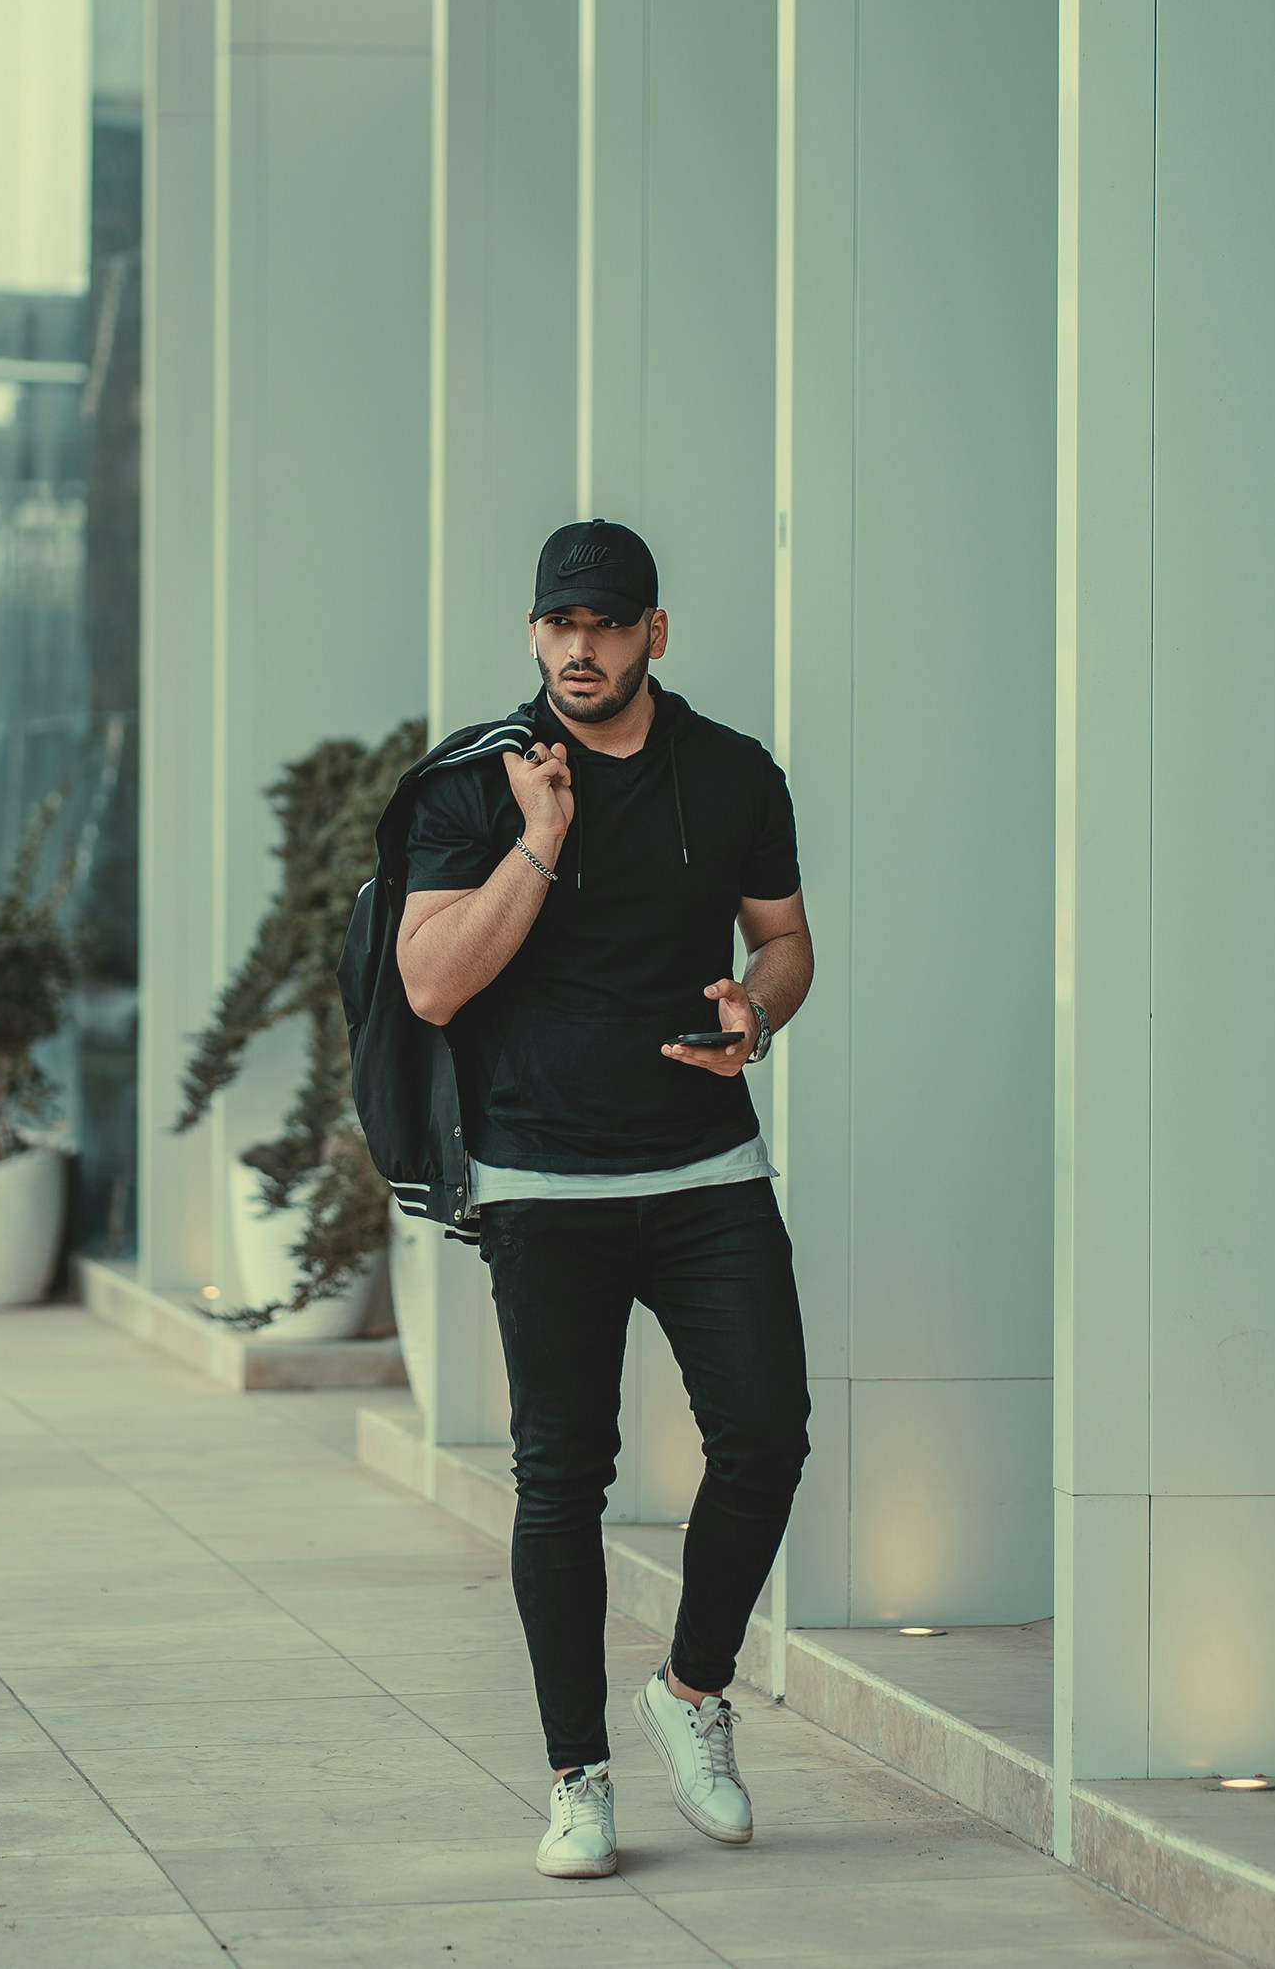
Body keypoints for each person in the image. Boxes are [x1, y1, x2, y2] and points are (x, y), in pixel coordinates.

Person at [396, 519, 813, 1878]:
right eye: (559, 625)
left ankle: (692, 1693)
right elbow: (433, 985)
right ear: (533, 634)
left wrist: (761, 1006)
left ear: (654, 634)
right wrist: (536, 842)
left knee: (767, 1431)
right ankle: (577, 1775)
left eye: (609, 625)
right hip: (542, 1177)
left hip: (706, 1168)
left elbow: (786, 937)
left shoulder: (735, 773)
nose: (582, 648)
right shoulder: (477, 785)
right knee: (562, 1480)